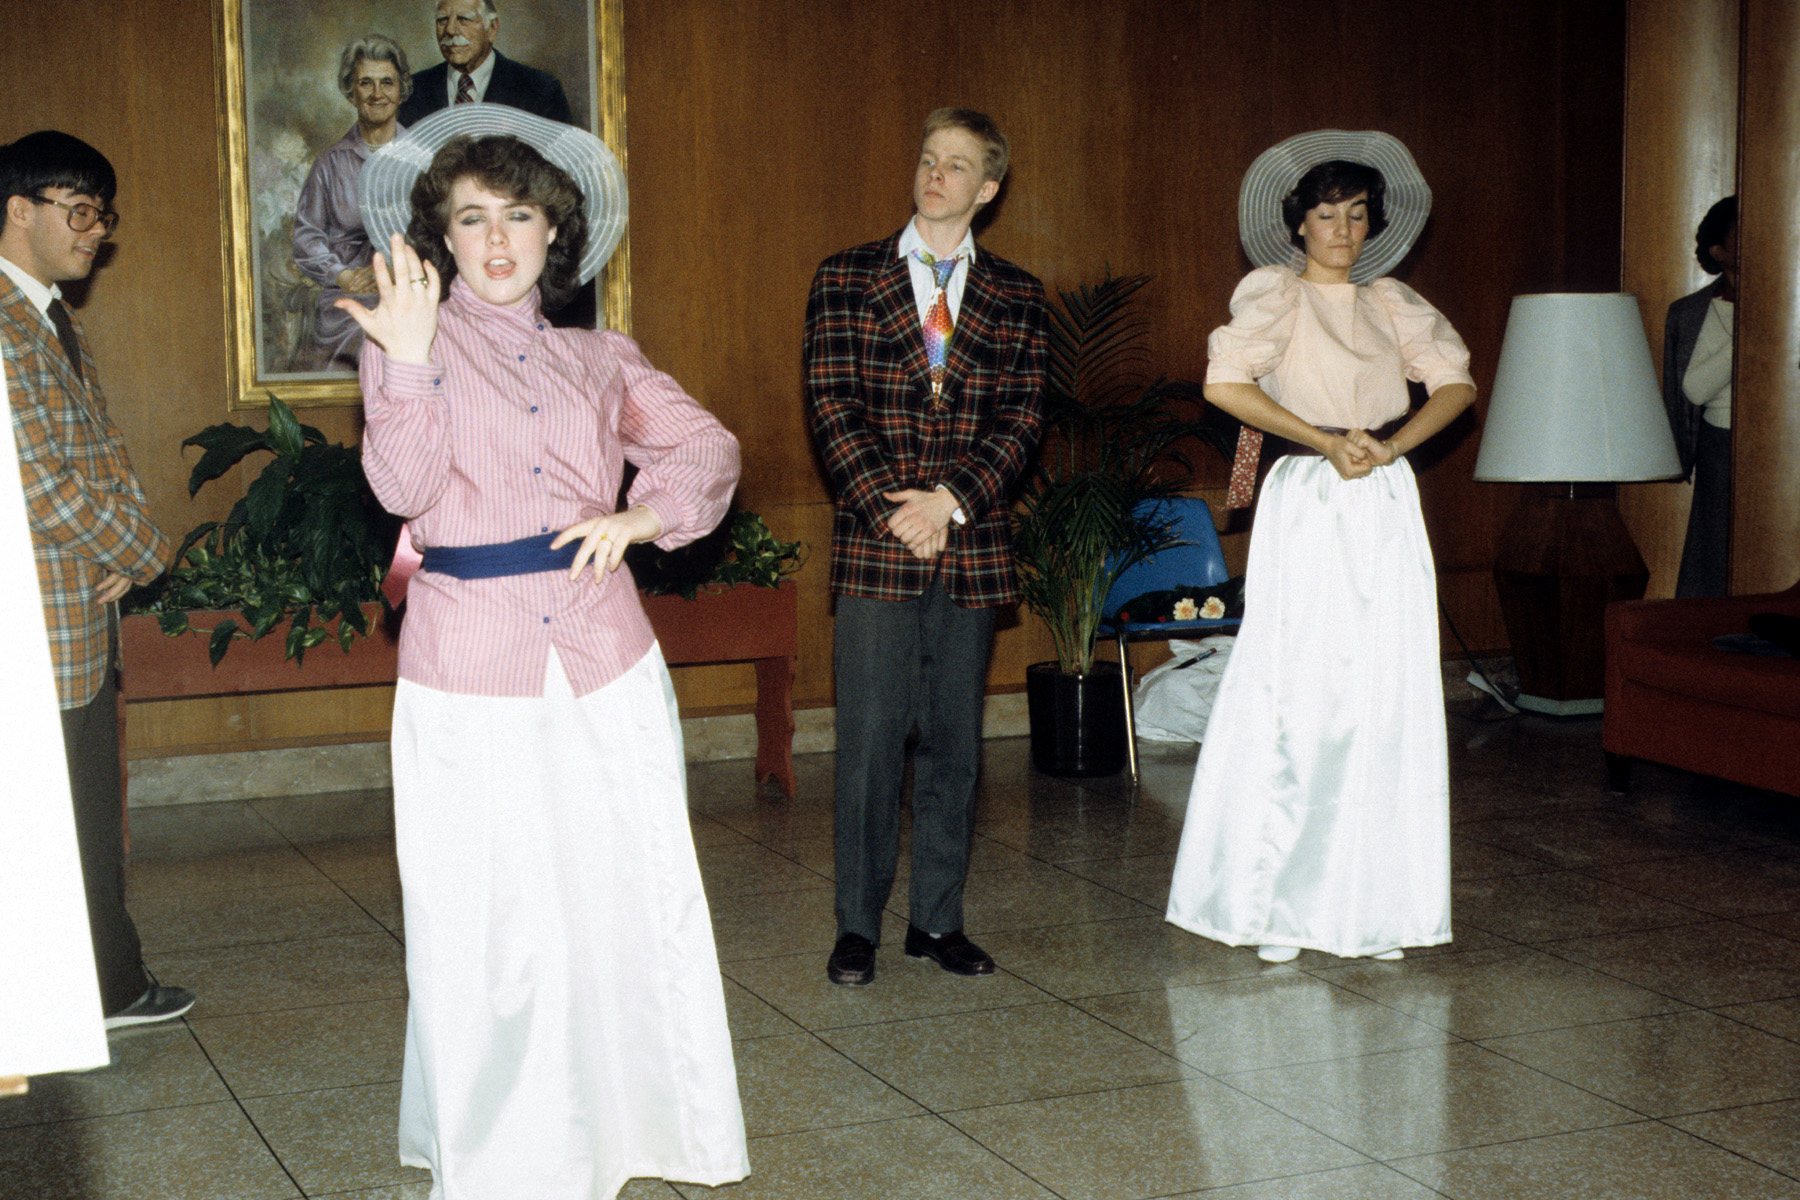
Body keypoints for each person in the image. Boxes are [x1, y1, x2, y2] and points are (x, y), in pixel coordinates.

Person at [342, 105, 747, 1198]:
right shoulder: (405, 343)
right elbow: (403, 490)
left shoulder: (600, 356)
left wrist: (645, 515)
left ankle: (642, 1129)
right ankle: (507, 1156)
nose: (497, 238)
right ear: (442, 236)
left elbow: (707, 446)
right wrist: (410, 362)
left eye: (518, 214)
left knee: (626, 892)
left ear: (555, 229)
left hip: (605, 654)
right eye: (472, 218)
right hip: (468, 666)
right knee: (488, 914)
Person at [1165, 131, 1476, 964]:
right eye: (1327, 214)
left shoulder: (1391, 302)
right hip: (1309, 493)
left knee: (1384, 687)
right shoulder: (1278, 296)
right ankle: (1281, 904)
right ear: (1299, 222)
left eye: (1357, 214)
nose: (1342, 230)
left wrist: (1394, 446)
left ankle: (1376, 908)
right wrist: (1322, 440)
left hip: (1383, 496)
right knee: (1301, 684)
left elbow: (1455, 384)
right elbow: (1225, 384)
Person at [805, 108, 1047, 987]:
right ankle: (857, 927)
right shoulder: (846, 276)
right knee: (870, 744)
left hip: (969, 542)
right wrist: (898, 511)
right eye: (927, 159)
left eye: (957, 165)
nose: (935, 175)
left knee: (954, 745)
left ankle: (937, 920)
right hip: (879, 542)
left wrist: (951, 502)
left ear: (988, 188)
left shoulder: (1019, 294)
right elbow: (831, 407)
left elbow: (1023, 418)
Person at [0, 131, 193, 1028]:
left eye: (102, 216)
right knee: (50, 818)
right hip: (33, 612)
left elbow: (100, 454)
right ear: (18, 209)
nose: (95, 232)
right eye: (79, 211)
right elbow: (35, 480)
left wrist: (121, 544)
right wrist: (145, 551)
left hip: (75, 606)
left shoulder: (50, 317)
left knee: (81, 811)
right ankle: (79, 995)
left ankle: (103, 985)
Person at [291, 34, 413, 372]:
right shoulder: (329, 163)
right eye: (365, 83)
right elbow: (306, 236)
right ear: (351, 91)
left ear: (401, 89)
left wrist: (396, 272)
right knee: (357, 330)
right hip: (348, 295)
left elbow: (441, 236)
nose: (377, 94)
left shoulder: (422, 160)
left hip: (408, 290)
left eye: (387, 82)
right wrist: (342, 276)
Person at [1663, 195, 1737, 598]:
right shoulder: (1690, 312)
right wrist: (1753, 325)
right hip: (1719, 444)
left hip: (1784, 445)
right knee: (1713, 552)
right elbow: (1693, 389)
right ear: (1719, 251)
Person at [395, 0, 573, 129]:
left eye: (463, 19)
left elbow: (557, 165)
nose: (450, 29)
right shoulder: (411, 91)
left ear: (492, 28)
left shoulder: (539, 90)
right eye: (442, 19)